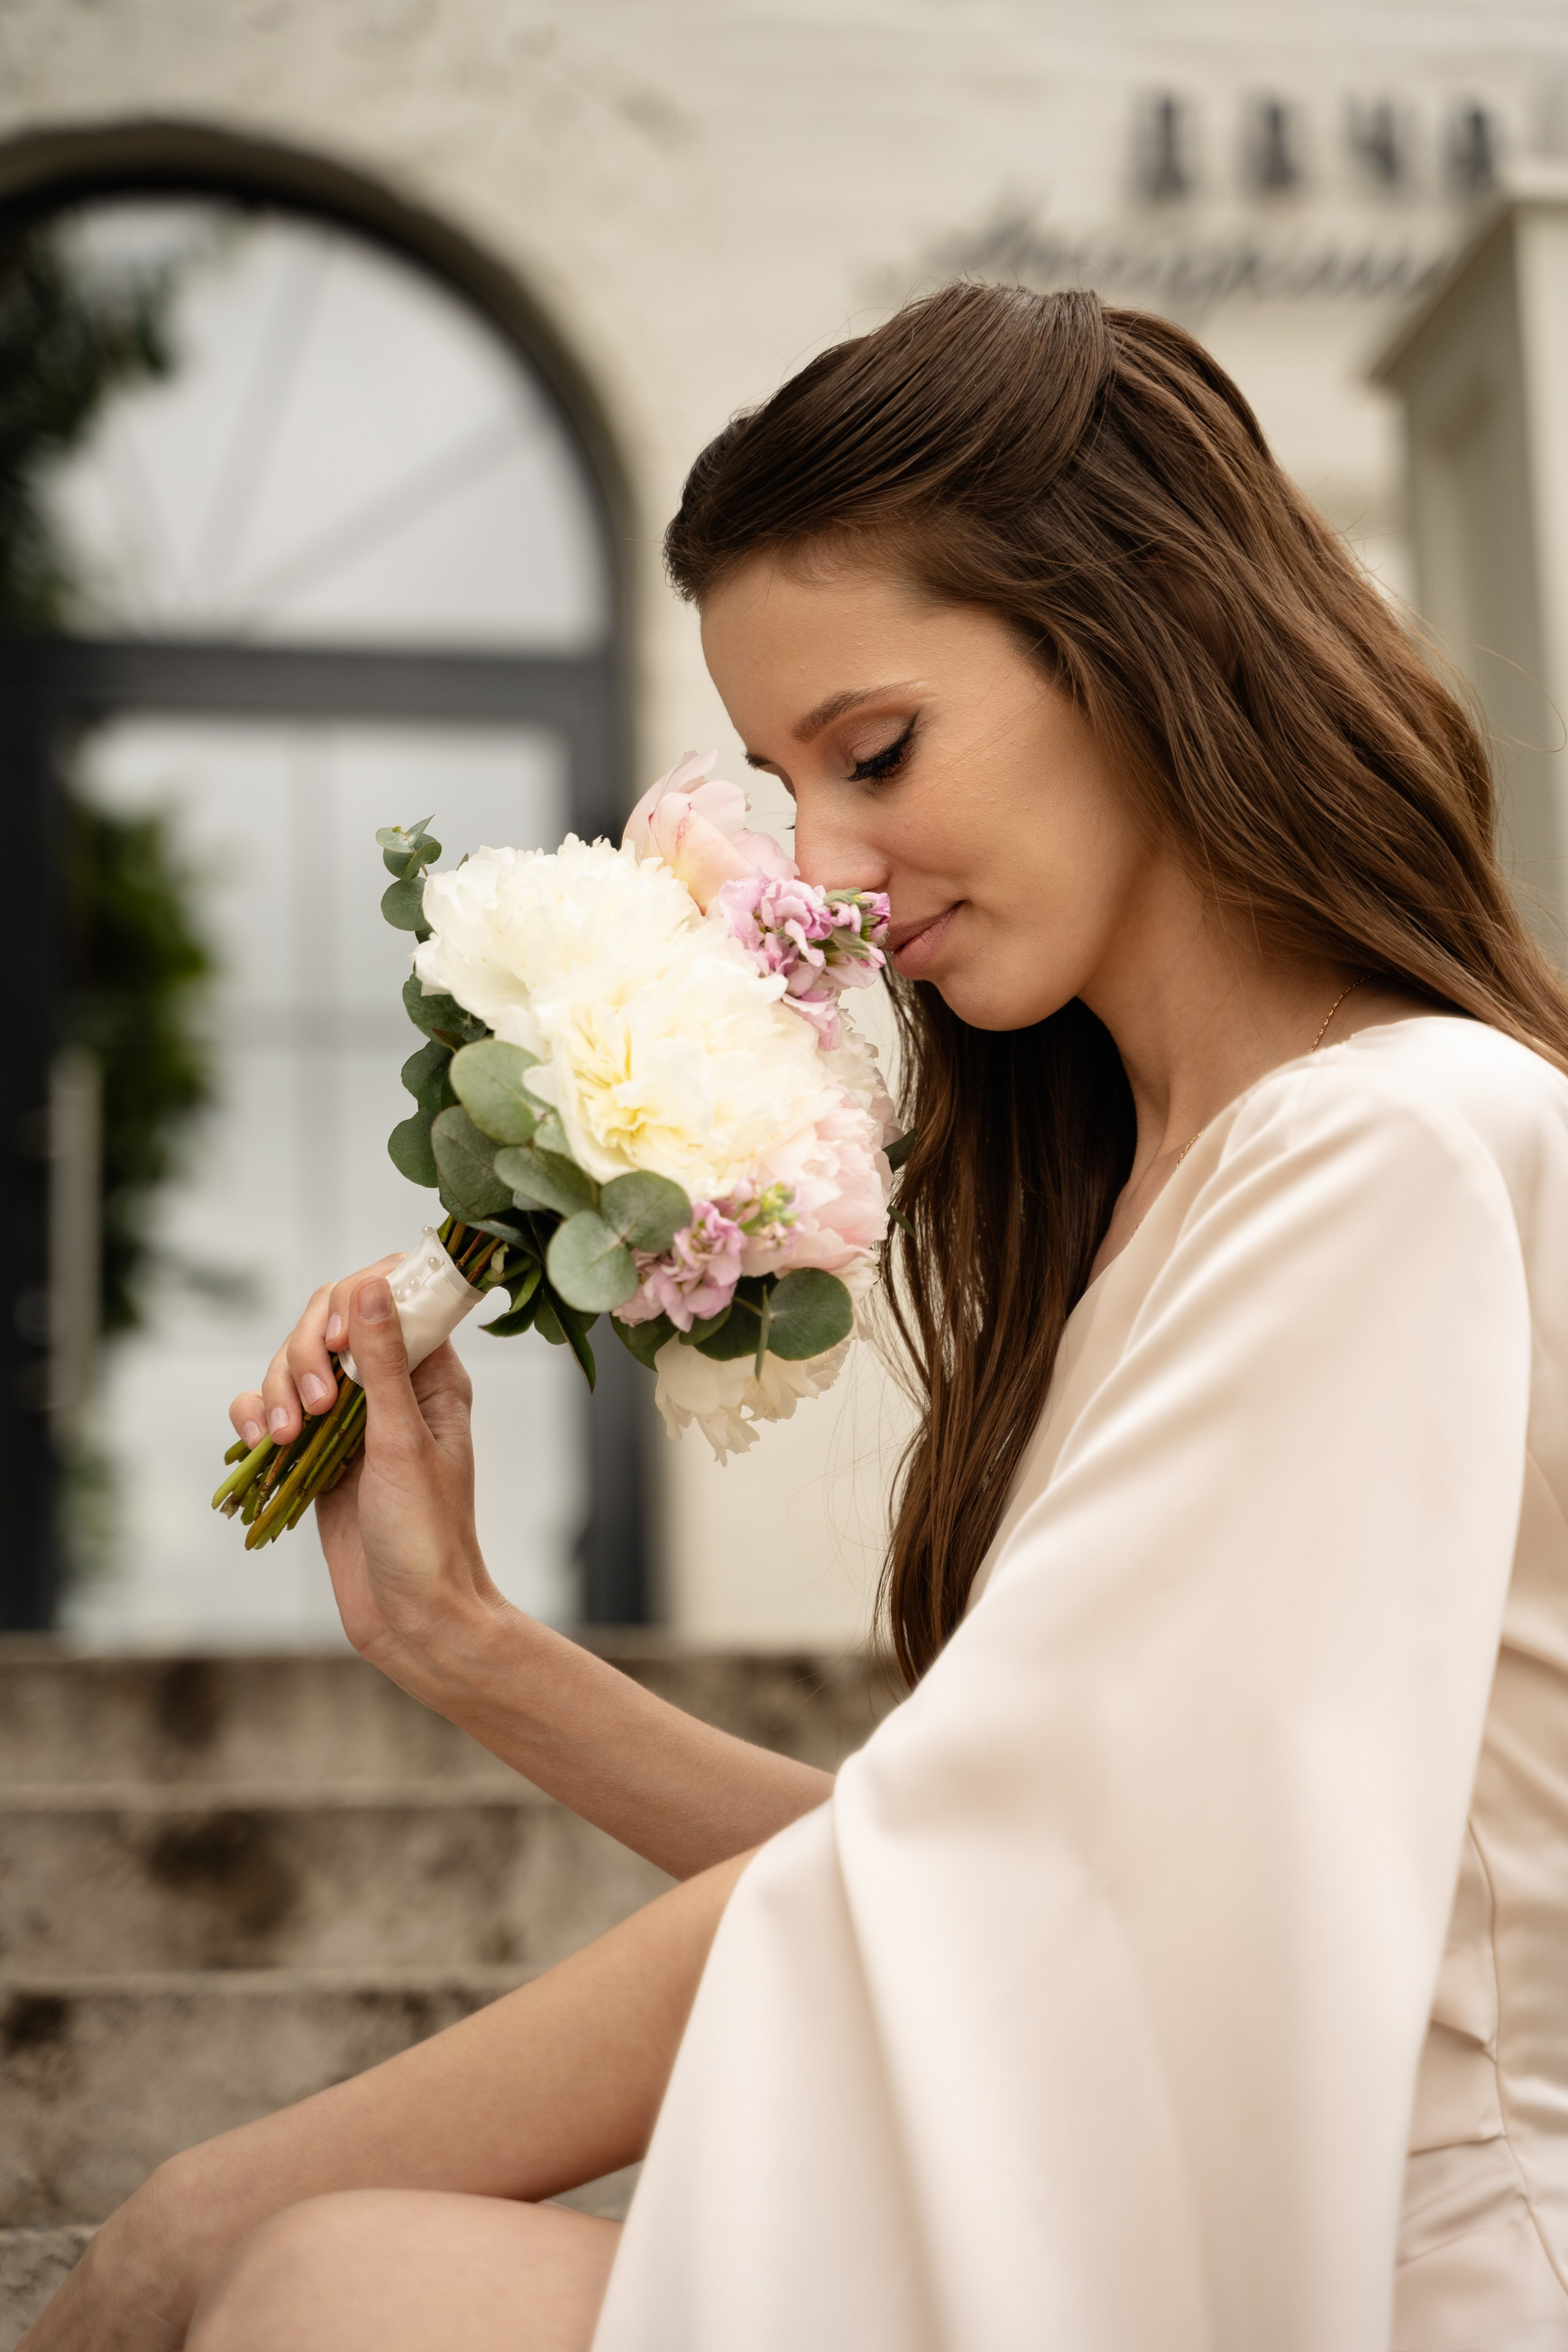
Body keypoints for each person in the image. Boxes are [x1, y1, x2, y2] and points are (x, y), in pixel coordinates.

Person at [28, 283, 1568, 2352]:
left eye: (876, 750)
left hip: (1398, 2274)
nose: (824, 872)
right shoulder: (1177, 1198)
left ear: (1142, 641)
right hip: (1223, 2214)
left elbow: (957, 1899)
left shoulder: (1395, 1150)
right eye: (780, 782)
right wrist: (462, 1645)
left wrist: (188, 2212)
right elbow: (981, 1878)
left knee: (328, 2276)